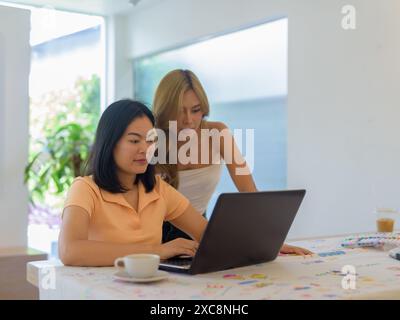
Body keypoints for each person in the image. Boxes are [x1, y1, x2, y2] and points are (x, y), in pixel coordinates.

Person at [153, 69, 312, 256]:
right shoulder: (152, 139)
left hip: (200, 231)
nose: (189, 120)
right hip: (155, 235)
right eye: (180, 111)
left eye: (195, 110)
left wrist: (269, 239)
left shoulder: (218, 134)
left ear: (203, 108)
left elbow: (249, 192)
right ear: (165, 110)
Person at [58, 99, 207, 267]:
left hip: (149, 288)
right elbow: (69, 250)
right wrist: (157, 250)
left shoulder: (159, 189)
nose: (145, 149)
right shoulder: (85, 188)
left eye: (150, 140)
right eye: (134, 141)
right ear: (110, 143)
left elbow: (210, 236)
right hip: (103, 290)